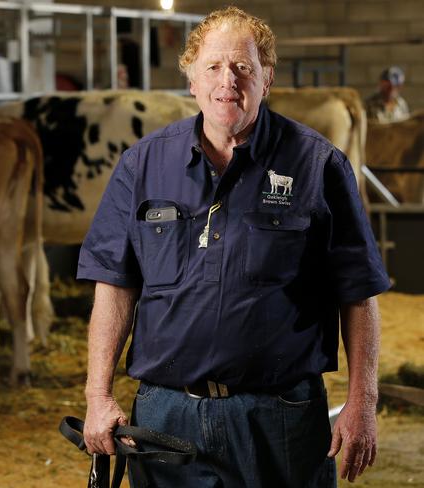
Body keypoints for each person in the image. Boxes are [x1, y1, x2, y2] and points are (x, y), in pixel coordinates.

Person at [77, 6, 391, 487]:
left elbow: (358, 293)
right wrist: (97, 397)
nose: (229, 81)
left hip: (278, 417)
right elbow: (114, 286)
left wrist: (362, 403)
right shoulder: (142, 166)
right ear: (191, 80)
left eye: (244, 68)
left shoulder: (317, 164)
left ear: (266, 79)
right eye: (214, 67)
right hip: (165, 416)